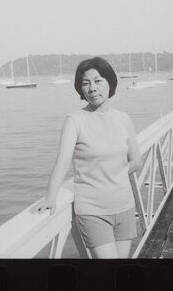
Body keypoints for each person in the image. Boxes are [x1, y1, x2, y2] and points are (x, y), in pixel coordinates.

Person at [35, 57, 144, 259]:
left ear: (110, 82)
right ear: (81, 89)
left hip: (126, 207)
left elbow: (136, 160)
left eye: (98, 80)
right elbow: (62, 162)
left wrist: (117, 172)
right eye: (86, 83)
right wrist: (50, 197)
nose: (92, 88)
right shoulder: (75, 120)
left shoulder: (123, 119)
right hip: (93, 211)